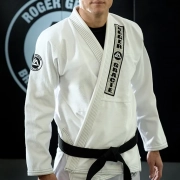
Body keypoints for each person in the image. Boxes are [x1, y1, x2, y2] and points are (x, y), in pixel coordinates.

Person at [24, 0, 168, 180]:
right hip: (75, 167)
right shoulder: (53, 37)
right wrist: (42, 169)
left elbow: (143, 92)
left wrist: (153, 144)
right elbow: (38, 106)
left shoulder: (131, 31)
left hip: (125, 162)